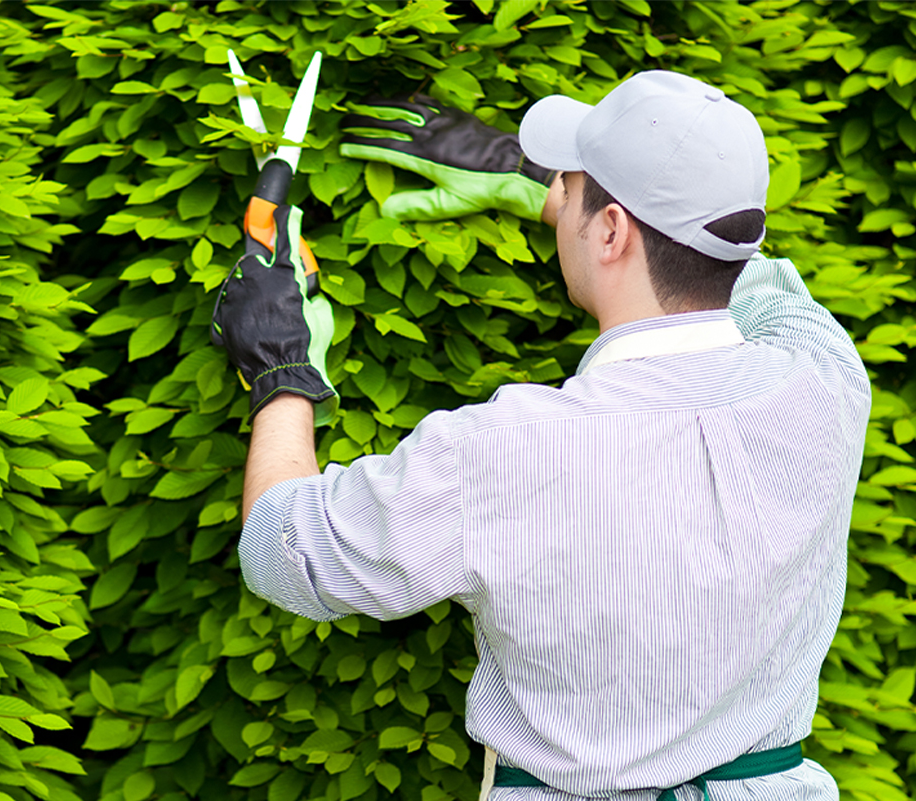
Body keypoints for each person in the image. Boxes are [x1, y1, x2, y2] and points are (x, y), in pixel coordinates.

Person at [210, 71, 870, 801]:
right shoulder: (826, 378)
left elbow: (285, 549)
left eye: (573, 187)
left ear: (613, 230)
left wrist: (282, 370)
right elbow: (760, 279)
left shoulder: (507, 450)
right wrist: (551, 190)